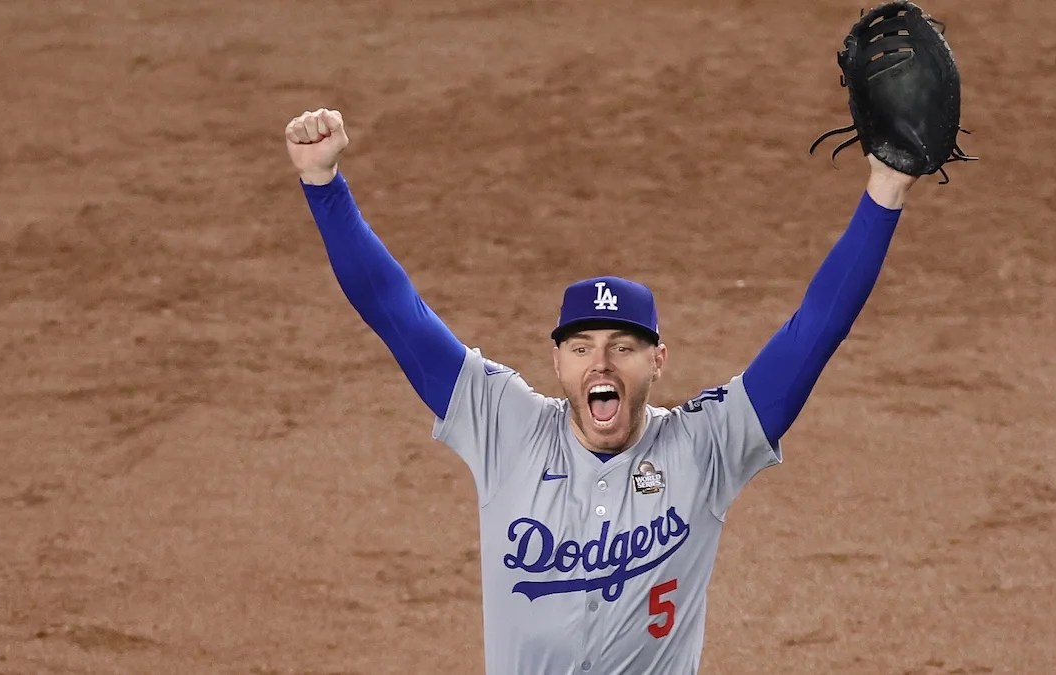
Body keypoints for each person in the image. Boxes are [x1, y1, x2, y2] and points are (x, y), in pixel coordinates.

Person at [285, 107, 916, 674]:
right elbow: (395, 310)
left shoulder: (706, 445)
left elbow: (814, 332)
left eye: (624, 347)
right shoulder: (505, 427)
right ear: (556, 362)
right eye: (582, 347)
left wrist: (884, 192)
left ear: (658, 360)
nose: (602, 365)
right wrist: (324, 186)